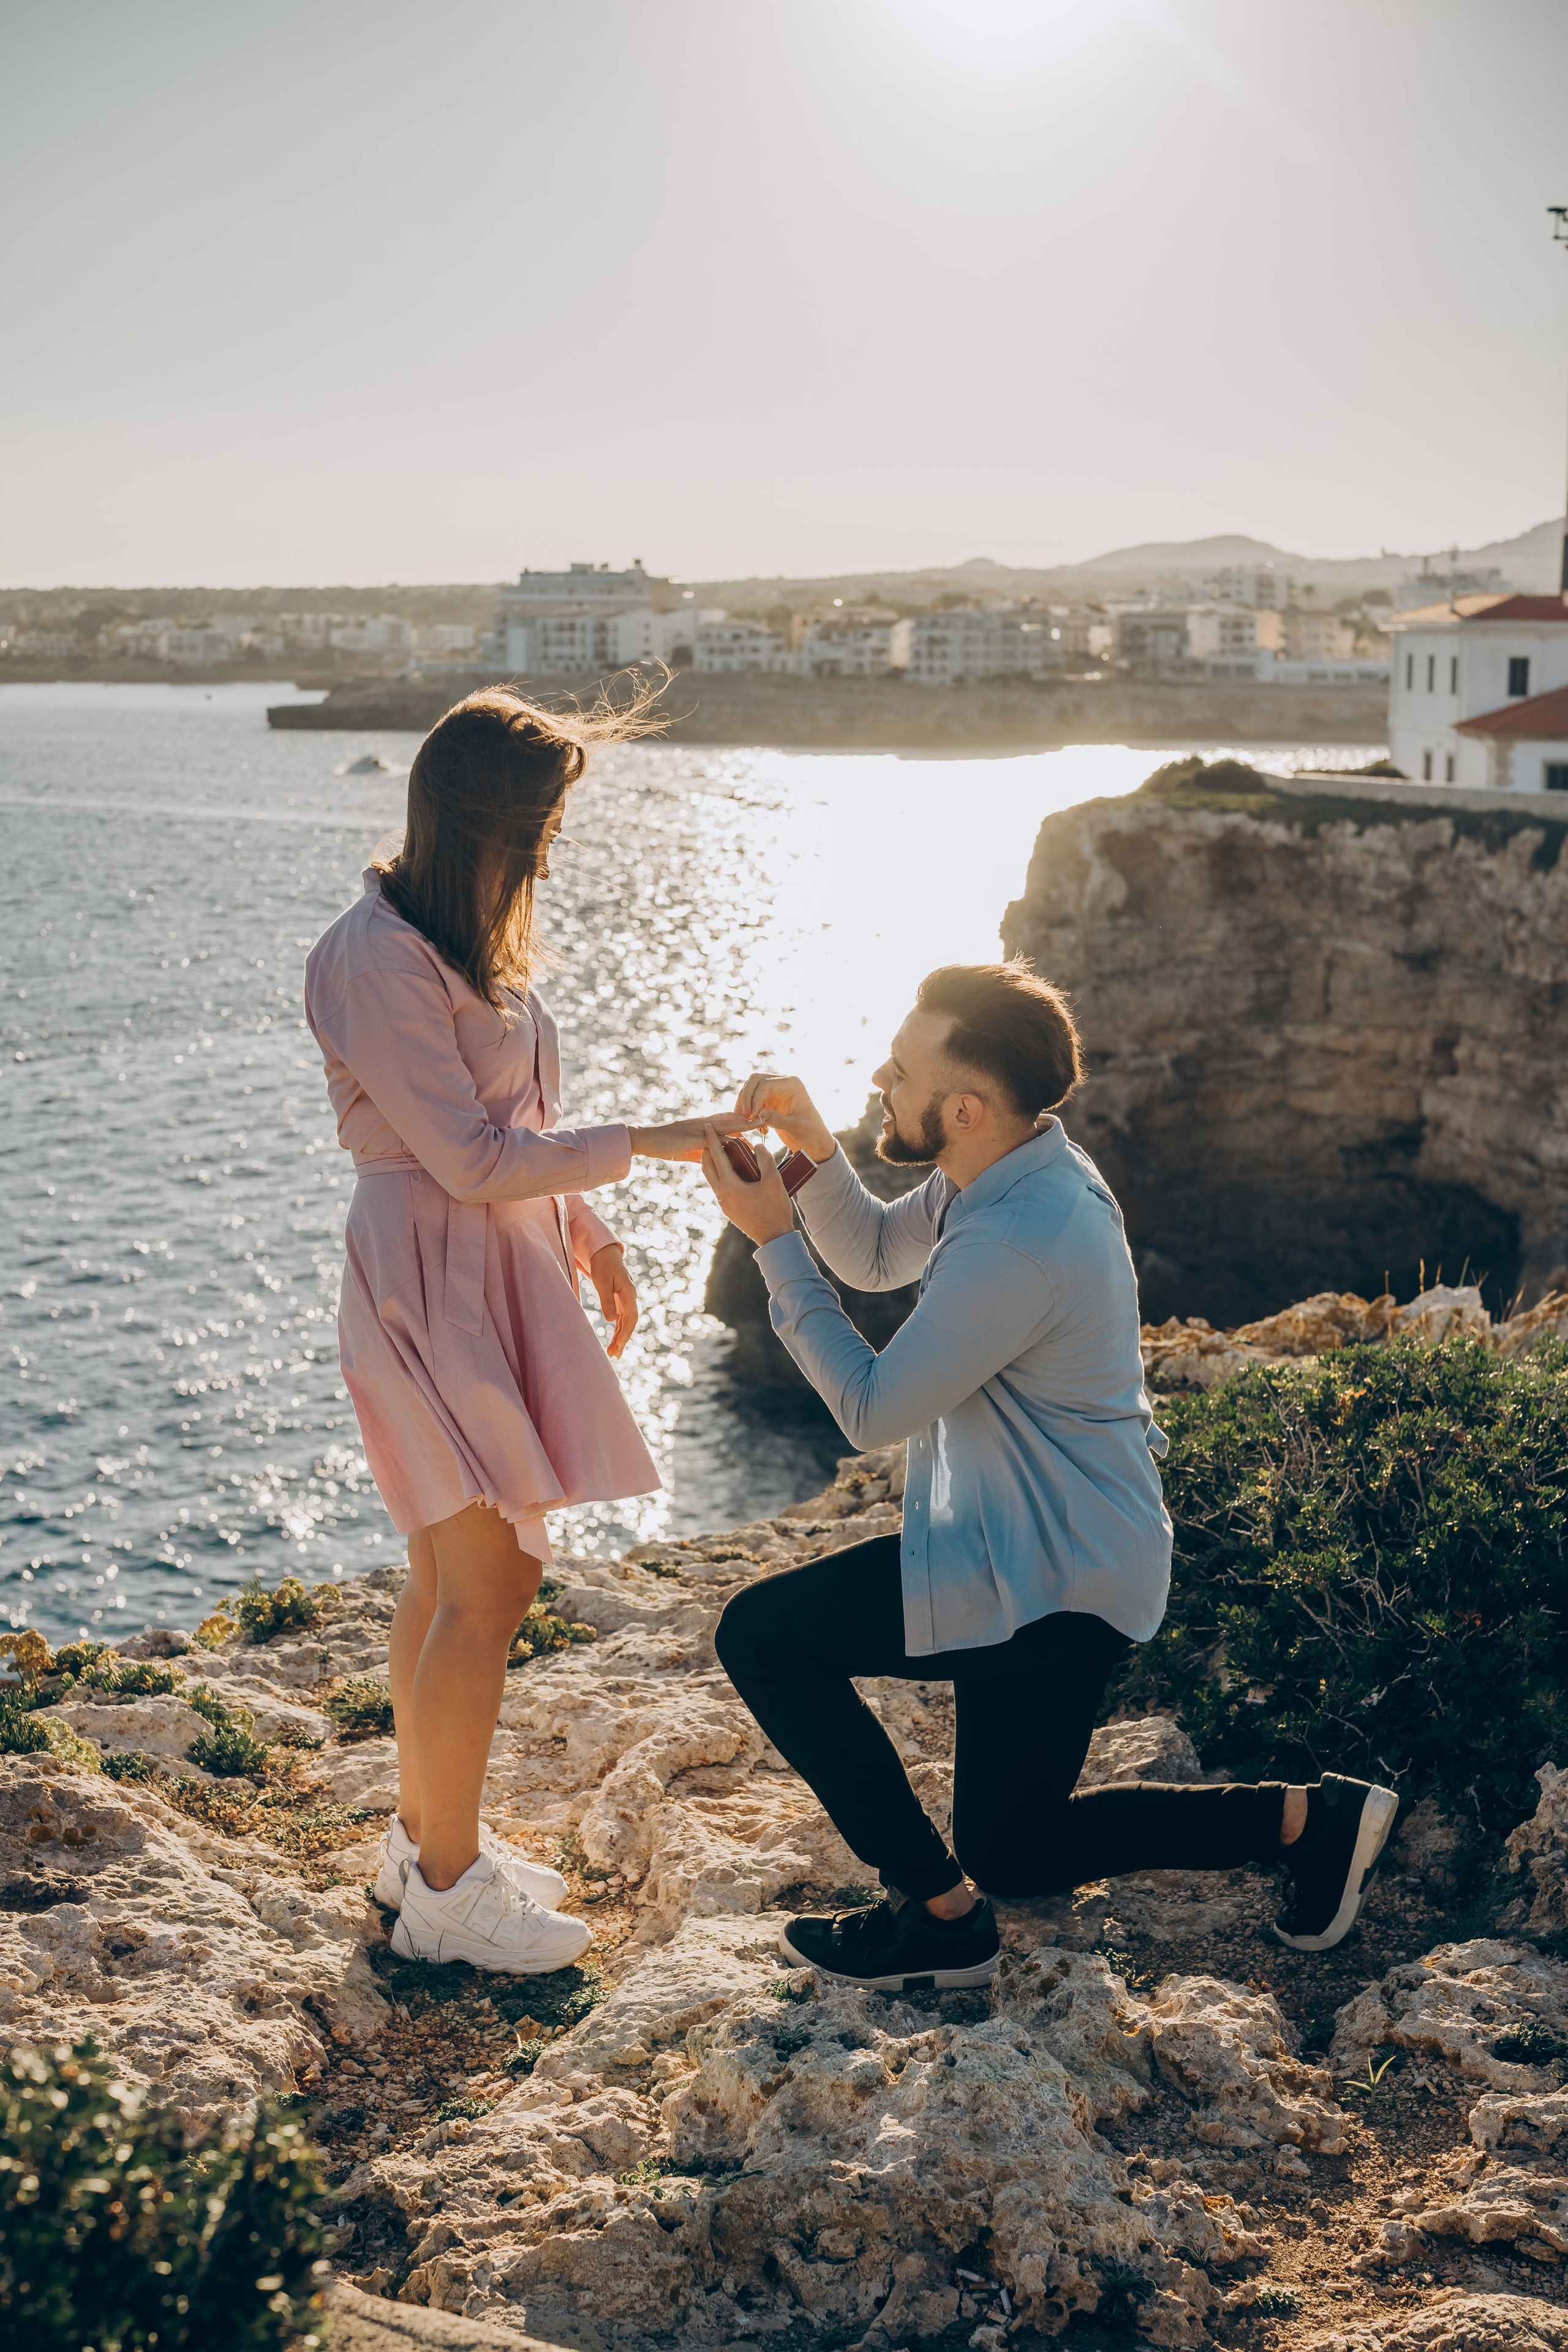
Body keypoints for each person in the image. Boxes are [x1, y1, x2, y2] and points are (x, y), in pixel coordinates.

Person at [701, 960, 1398, 1992]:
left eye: (899, 1072)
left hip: (1051, 1579)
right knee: (1015, 1853)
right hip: (1036, 1554)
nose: (879, 1083)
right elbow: (885, 1255)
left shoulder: (1023, 1237)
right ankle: (1308, 1820)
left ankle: (936, 1918)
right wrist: (808, 1159)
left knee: (761, 1637)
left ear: (967, 1107)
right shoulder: (1014, 1163)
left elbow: (871, 1411)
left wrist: (770, 1244)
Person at [304, 687, 756, 1975]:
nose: (553, 841)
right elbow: (462, 1155)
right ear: (481, 816)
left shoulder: (459, 932)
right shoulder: (375, 953)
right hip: (425, 1277)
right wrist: (660, 1145)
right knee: (491, 1579)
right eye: (540, 817)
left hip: (487, 1263)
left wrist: (593, 1240)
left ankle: (424, 1844)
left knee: (450, 1575)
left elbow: (514, 1114)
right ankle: (445, 1894)